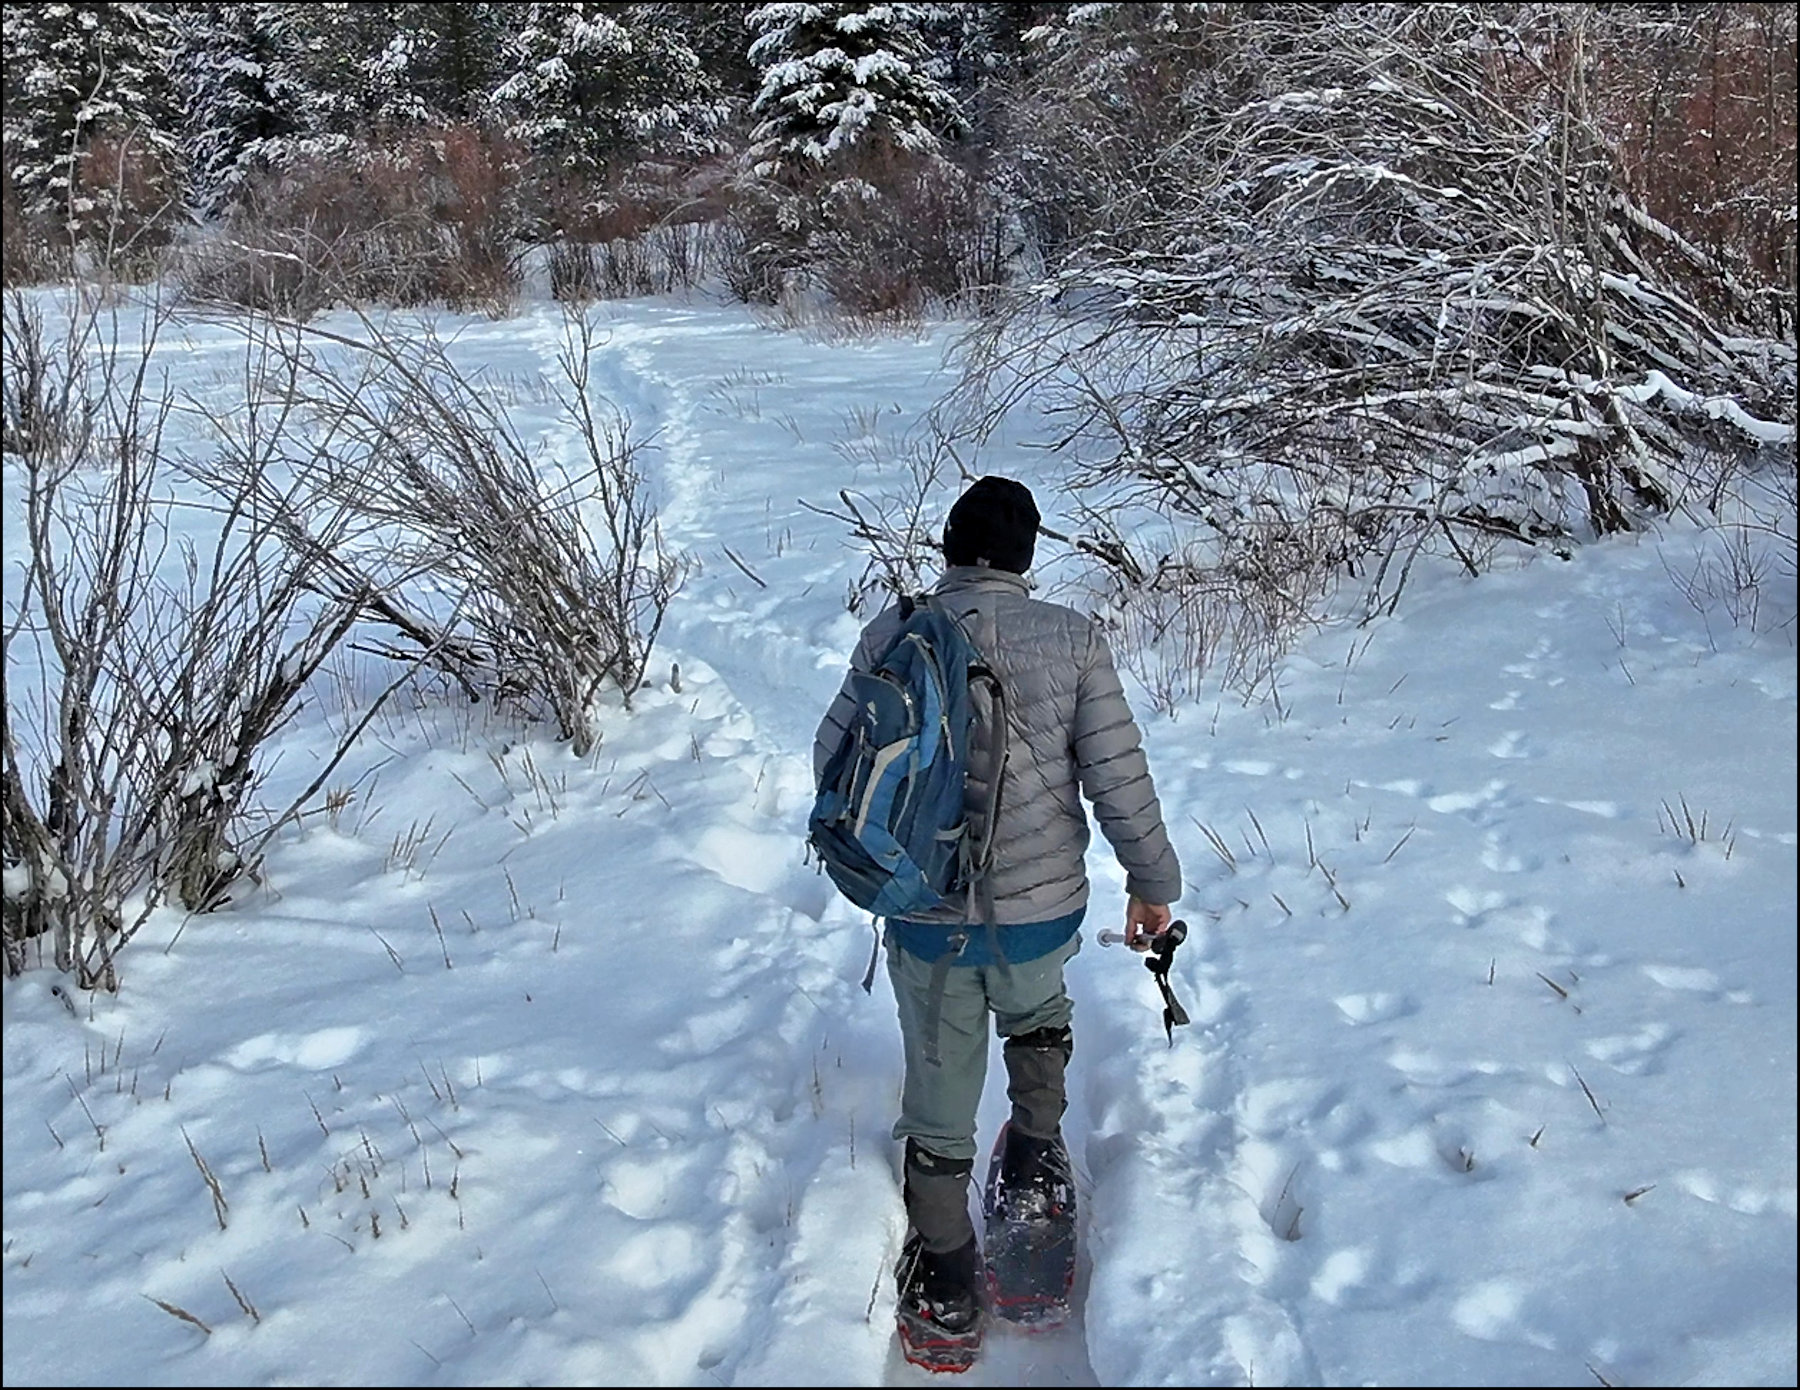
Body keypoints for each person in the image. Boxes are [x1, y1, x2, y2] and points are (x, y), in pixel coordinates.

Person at [811, 475, 1183, 1350]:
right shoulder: (1071, 638)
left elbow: (833, 751)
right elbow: (1117, 779)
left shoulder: (895, 631)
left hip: (921, 913)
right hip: (1036, 916)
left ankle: (942, 1283)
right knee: (1037, 1014)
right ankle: (1032, 1169)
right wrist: (1151, 881)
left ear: (948, 547)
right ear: (1025, 557)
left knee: (938, 1097)